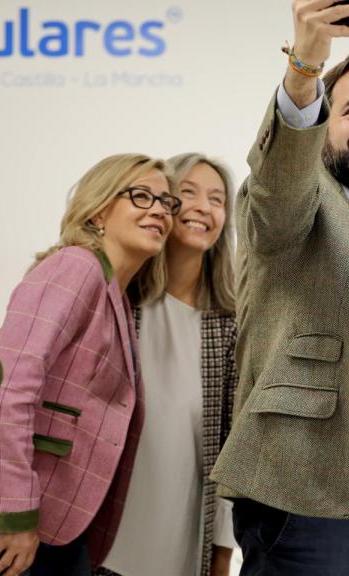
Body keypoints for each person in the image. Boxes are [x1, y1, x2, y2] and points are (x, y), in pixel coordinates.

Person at [209, 1, 349, 574]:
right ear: (324, 124)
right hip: (305, 507)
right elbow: (281, 175)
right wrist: (307, 63)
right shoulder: (296, 204)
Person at [0, 154, 178, 576]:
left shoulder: (115, 297)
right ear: (99, 210)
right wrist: (15, 515)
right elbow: (8, 389)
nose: (158, 209)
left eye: (167, 202)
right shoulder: (75, 267)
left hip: (54, 530)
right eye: (141, 196)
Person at [93, 153, 239, 576]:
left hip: (182, 546)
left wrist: (222, 557)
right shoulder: (119, 301)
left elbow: (233, 451)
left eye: (216, 198)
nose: (202, 207)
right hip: (98, 543)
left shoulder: (229, 327)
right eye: (186, 193)